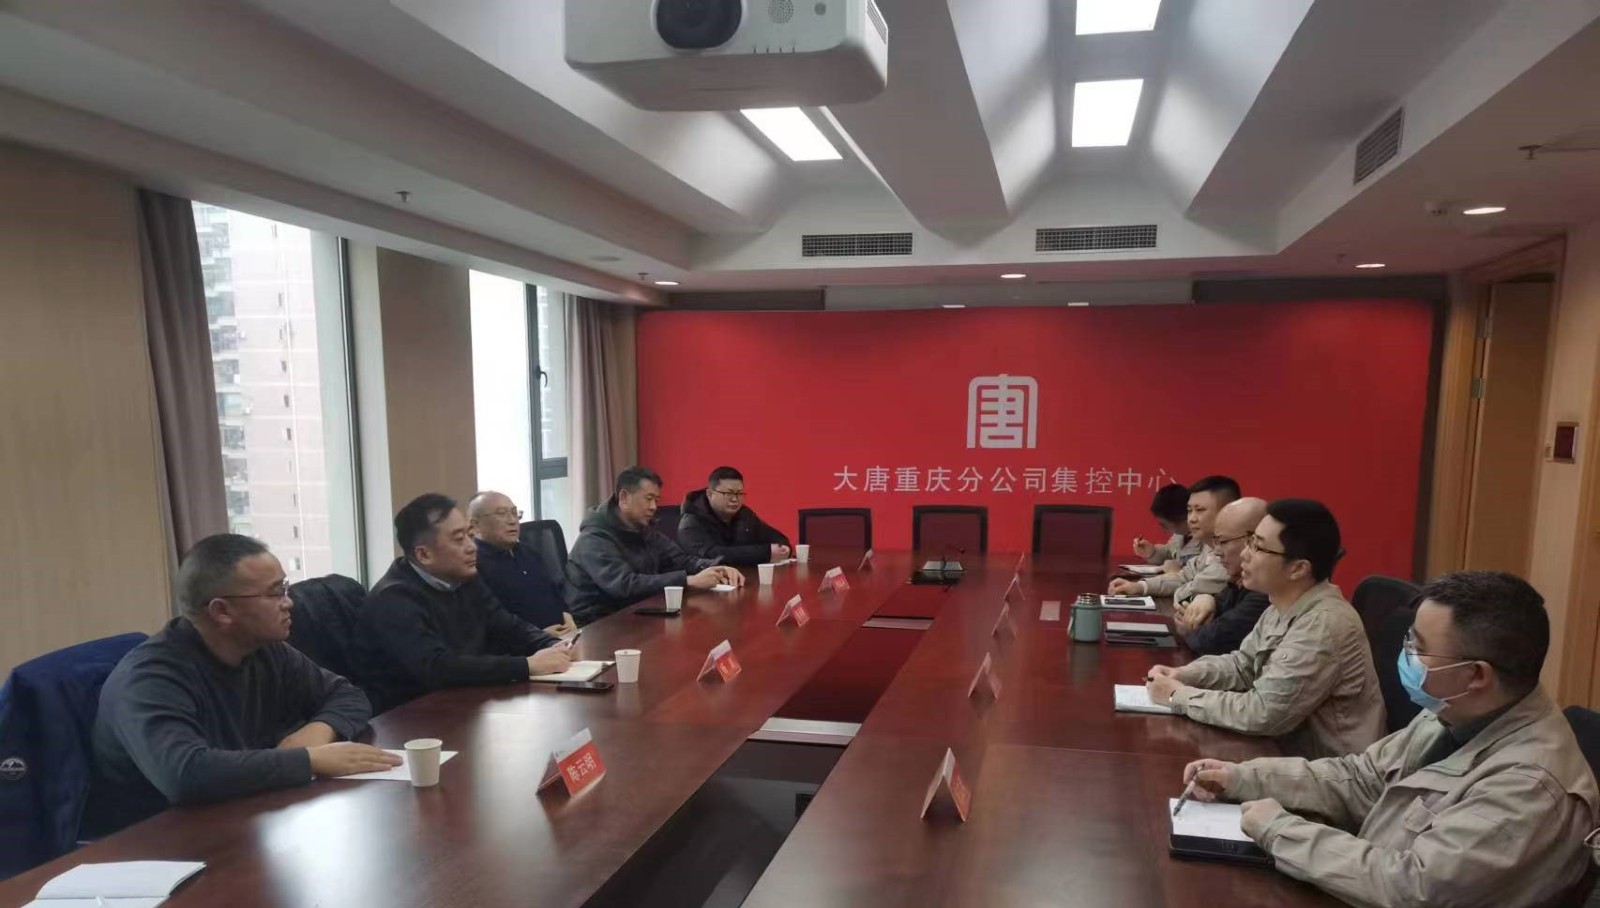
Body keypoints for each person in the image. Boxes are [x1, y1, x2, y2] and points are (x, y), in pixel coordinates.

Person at [1180, 571, 1599, 908]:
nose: (1406, 653)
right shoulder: (1458, 708)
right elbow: (1363, 778)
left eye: (1419, 647)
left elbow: (1412, 887)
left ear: (1476, 675)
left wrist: (1279, 830)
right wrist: (1245, 778)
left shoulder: (1530, 788)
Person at [83, 535, 397, 837]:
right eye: (274, 593)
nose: (288, 602)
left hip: (238, 812)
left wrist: (318, 731)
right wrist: (310, 759)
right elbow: (184, 773)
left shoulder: (264, 650)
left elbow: (348, 695)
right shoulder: (149, 679)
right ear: (221, 611)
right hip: (155, 840)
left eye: (284, 588)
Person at [1145, 499, 1384, 759]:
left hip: (1326, 769)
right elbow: (1242, 665)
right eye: (1250, 542)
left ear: (1298, 568)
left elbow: (1262, 713)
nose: (1245, 554)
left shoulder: (1324, 624)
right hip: (1282, 753)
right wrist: (1185, 674)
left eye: (1258, 547)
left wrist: (1178, 695)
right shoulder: (1281, 603)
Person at [356, 493, 574, 713]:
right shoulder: (393, 598)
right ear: (424, 555)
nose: (472, 547)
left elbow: (507, 624)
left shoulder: (465, 578)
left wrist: (552, 644)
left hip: (467, 702)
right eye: (459, 539)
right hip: (411, 717)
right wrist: (526, 665)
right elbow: (437, 667)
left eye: (470, 535)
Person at [566, 467, 745, 624]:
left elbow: (680, 560)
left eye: (656, 500)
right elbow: (626, 585)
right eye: (648, 498)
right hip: (598, 626)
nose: (653, 507)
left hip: (638, 615)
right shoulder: (594, 539)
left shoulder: (643, 531)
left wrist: (715, 567)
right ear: (624, 497)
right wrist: (688, 581)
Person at [1110, 475, 1237, 603]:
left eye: (1199, 510)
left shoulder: (1231, 556)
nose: (1191, 519)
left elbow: (1190, 590)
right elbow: (1183, 577)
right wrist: (1140, 586)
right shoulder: (1210, 548)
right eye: (1189, 510)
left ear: (1226, 512)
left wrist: (1179, 584)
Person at [468, 491, 575, 636]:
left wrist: (567, 615)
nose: (512, 520)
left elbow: (555, 591)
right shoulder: (473, 564)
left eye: (514, 513)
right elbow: (490, 624)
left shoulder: (529, 552)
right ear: (476, 525)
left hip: (564, 637)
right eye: (501, 514)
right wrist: (537, 636)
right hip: (526, 646)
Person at [1173, 497, 1271, 656]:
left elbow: (1213, 640)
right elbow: (1209, 612)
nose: (1217, 551)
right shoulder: (1239, 580)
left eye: (1223, 541)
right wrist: (1206, 598)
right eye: (1216, 542)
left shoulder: (1265, 590)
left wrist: (1189, 629)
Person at [677, 466, 792, 567]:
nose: (735, 499)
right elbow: (712, 555)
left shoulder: (744, 514)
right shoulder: (691, 523)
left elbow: (775, 537)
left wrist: (784, 548)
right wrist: (765, 553)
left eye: (739, 494)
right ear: (710, 494)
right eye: (729, 493)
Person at [1132, 482, 1198, 569]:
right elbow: (1168, 553)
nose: (1163, 530)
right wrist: (1152, 552)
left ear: (1184, 520)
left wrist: (1176, 572)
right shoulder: (1179, 536)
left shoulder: (1207, 541)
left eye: (1165, 525)